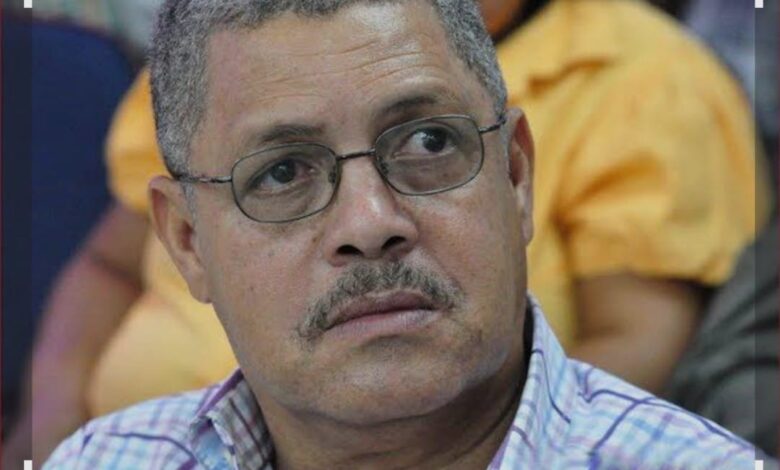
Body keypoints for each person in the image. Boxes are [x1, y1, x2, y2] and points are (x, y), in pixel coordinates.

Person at [22, 0, 767, 463]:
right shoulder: (106, 458)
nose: (369, 223)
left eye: (429, 144)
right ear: (186, 241)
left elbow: (639, 332)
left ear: (516, 176)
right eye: (282, 173)